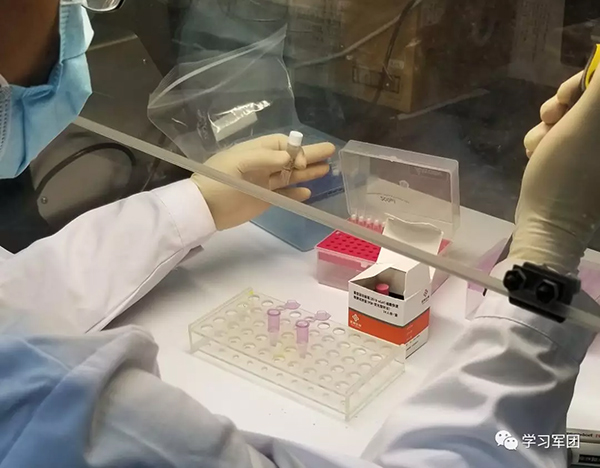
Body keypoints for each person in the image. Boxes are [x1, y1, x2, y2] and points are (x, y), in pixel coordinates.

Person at [0, 2, 598, 468]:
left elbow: (20, 295)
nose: (73, 19)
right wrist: (544, 254)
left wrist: (196, 202)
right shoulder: (60, 412)